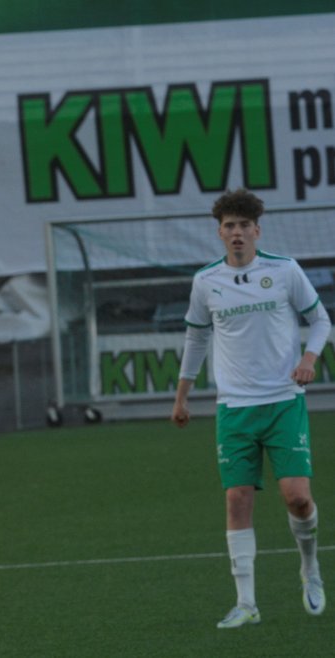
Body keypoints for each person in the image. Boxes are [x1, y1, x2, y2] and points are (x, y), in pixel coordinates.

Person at [171, 189, 330, 629]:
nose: (237, 232)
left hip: (283, 402)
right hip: (235, 408)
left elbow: (320, 320)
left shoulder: (284, 270)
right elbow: (196, 338)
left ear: (257, 230)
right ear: (220, 233)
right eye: (229, 226)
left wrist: (309, 359)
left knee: (298, 498)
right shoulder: (206, 281)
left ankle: (311, 569)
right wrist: (182, 395)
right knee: (237, 500)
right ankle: (246, 603)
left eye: (244, 225)